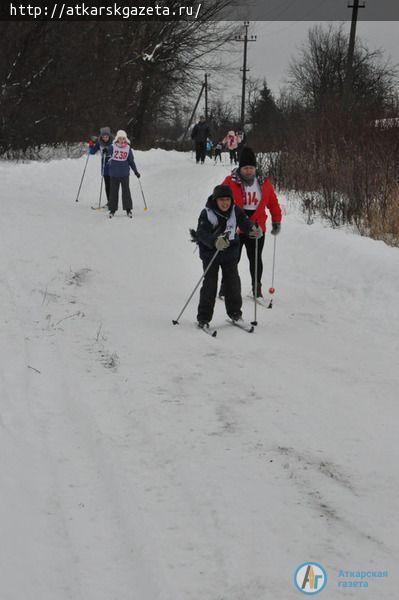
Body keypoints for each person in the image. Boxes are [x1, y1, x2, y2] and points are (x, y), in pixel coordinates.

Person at [194, 185, 263, 327]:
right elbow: (201, 233)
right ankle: (204, 318)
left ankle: (235, 314)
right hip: (211, 253)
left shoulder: (235, 210)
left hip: (230, 252)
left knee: (233, 284)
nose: (225, 203)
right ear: (215, 200)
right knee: (210, 284)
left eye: (227, 200)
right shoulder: (207, 213)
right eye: (221, 200)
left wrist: (253, 230)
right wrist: (214, 241)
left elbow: (245, 223)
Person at [220, 147, 282, 298]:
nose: (248, 171)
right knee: (232, 259)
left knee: (255, 260)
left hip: (256, 227)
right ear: (240, 168)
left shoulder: (263, 183)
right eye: (245, 168)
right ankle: (225, 287)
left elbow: (273, 203)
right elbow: (219, 200)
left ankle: (256, 288)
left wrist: (276, 221)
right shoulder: (230, 181)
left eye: (251, 168)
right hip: (236, 228)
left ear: (255, 168)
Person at [107, 130, 140, 218]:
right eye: (120, 138)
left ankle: (128, 209)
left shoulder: (128, 148)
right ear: (117, 139)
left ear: (126, 139)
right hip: (114, 174)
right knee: (113, 192)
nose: (122, 140)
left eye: (124, 138)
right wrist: (106, 153)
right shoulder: (112, 147)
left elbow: (131, 161)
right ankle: (112, 210)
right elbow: (107, 155)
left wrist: (136, 171)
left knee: (126, 192)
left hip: (124, 174)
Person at [88, 126, 113, 205]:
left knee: (113, 184)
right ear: (101, 136)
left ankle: (113, 201)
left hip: (112, 163)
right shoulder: (99, 143)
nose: (105, 138)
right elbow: (92, 152)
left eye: (107, 136)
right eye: (103, 136)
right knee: (107, 184)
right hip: (104, 163)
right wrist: (91, 145)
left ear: (109, 136)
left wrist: (108, 151)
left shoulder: (113, 142)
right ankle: (109, 202)